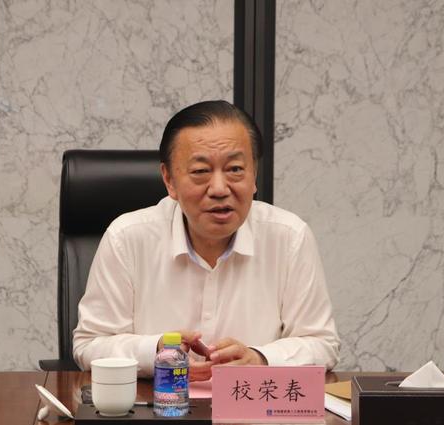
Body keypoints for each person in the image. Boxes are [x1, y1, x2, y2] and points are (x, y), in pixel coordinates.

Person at [73, 100, 340, 380]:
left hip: (251, 403)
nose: (220, 189)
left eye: (235, 169)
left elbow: (321, 343)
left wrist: (260, 359)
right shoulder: (127, 238)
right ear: (169, 180)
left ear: (254, 175)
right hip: (160, 402)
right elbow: (90, 344)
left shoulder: (289, 237)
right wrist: (158, 351)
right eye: (201, 171)